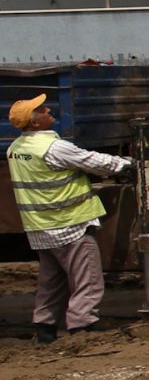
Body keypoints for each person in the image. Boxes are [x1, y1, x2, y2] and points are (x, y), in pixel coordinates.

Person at [8, 94, 133, 343]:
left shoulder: (16, 149)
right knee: (87, 279)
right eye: (41, 109)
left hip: (41, 228)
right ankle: (81, 328)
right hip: (69, 224)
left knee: (51, 281)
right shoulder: (53, 147)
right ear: (34, 123)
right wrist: (127, 164)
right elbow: (93, 162)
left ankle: (45, 328)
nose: (48, 109)